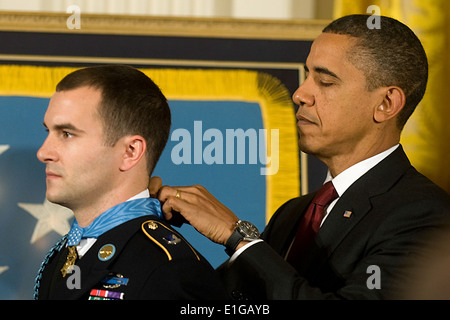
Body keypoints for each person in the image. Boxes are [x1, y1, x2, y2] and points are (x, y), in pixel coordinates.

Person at [154, 15, 450, 299]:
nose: (300, 94)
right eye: (307, 75)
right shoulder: (294, 213)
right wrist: (148, 226)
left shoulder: (427, 216)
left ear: (386, 103)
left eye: (325, 82)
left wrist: (237, 237)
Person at [34, 65, 227, 300]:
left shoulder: (169, 270)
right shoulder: (67, 252)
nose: (43, 152)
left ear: (130, 152)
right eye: (48, 131)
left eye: (67, 134)